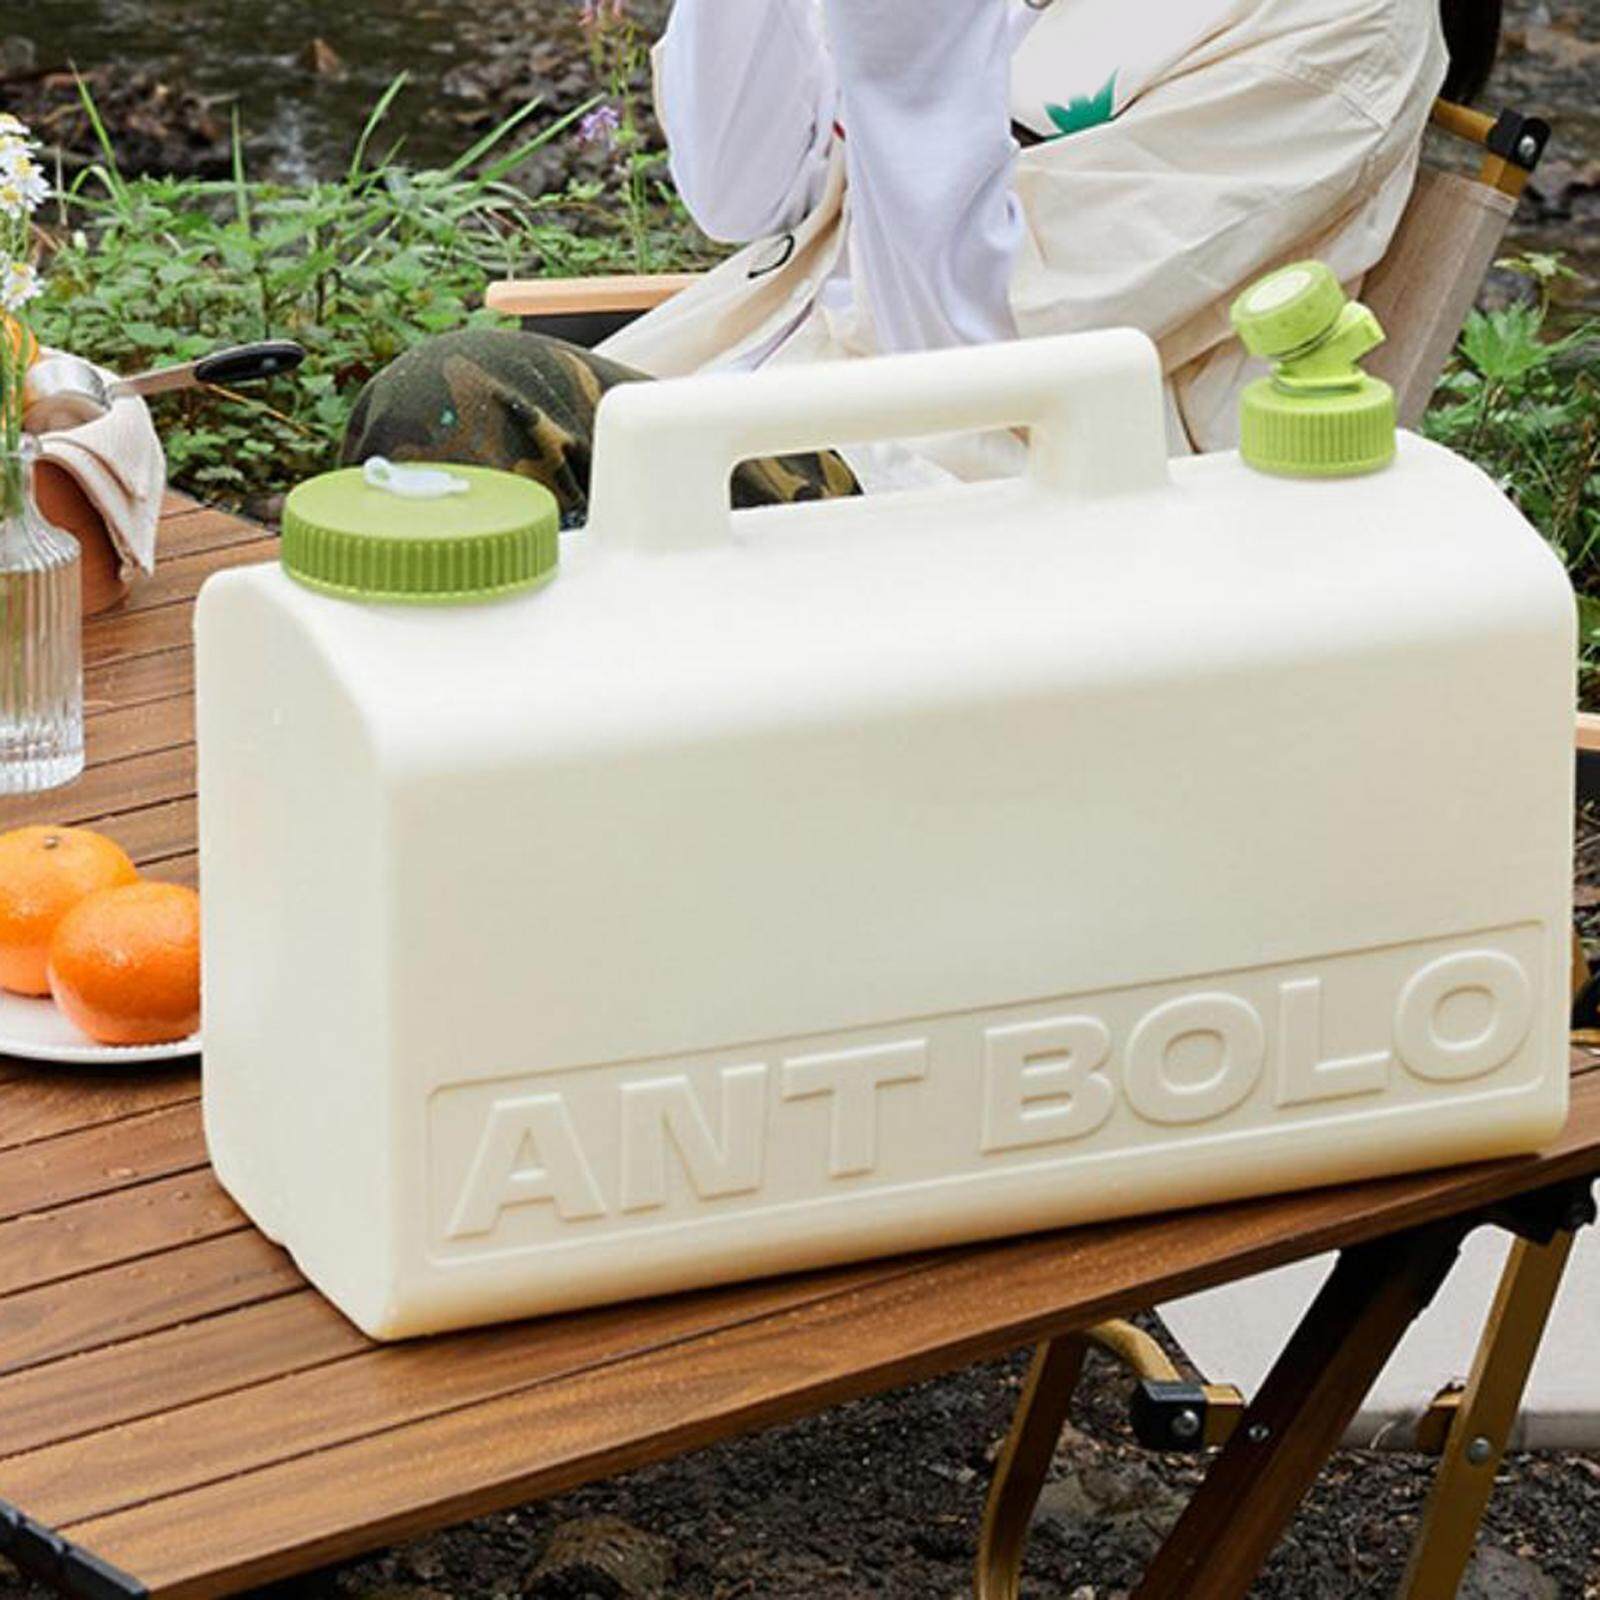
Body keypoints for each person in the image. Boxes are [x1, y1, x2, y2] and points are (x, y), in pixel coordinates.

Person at [345, 0, 1497, 523]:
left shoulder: (1340, 28)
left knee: (456, 404)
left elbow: (984, 357)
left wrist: (908, 44)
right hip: (760, 399)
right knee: (399, 499)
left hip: (985, 510)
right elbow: (740, 193)